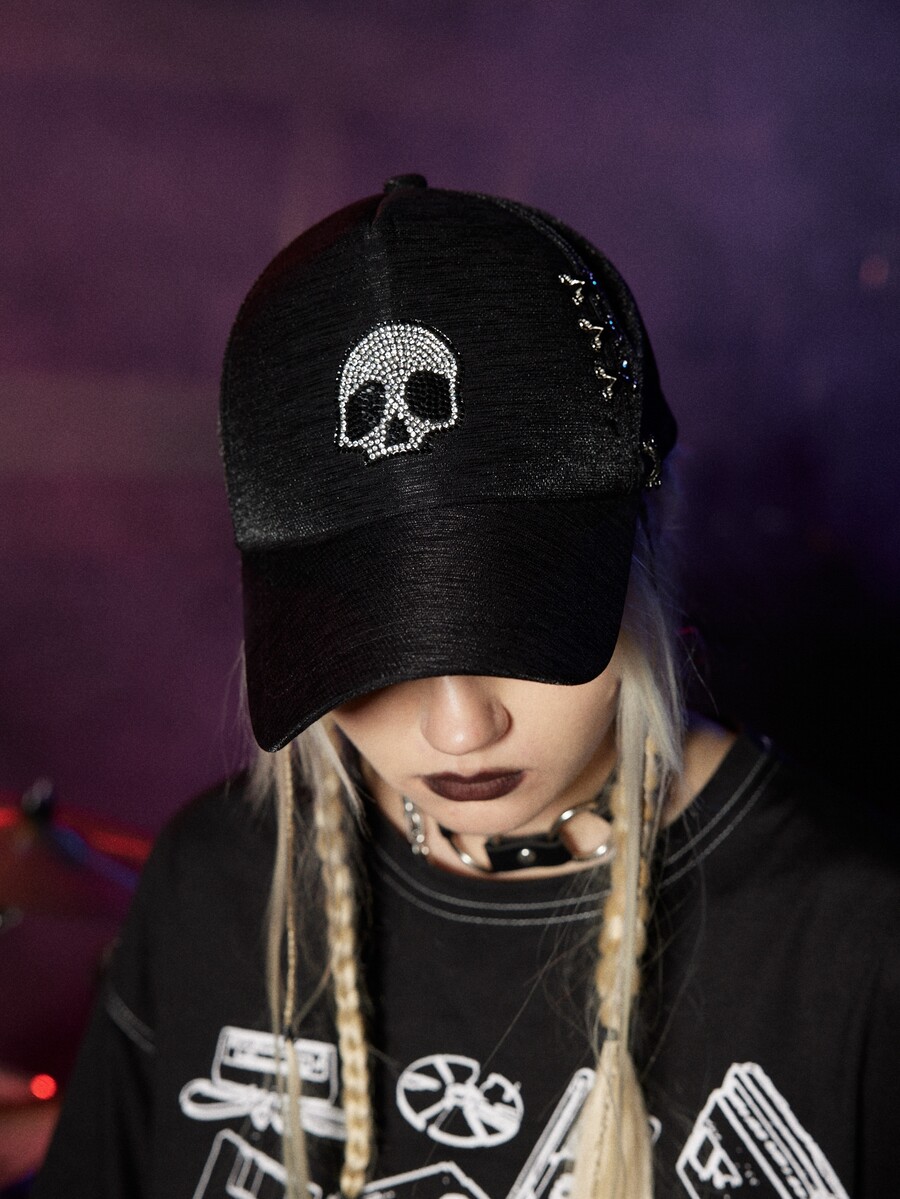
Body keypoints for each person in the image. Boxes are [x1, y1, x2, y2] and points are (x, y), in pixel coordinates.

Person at [32, 175, 898, 1199]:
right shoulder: (211, 883)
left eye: (518, 624)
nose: (458, 726)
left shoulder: (859, 943)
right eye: (373, 647)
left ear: (647, 545)